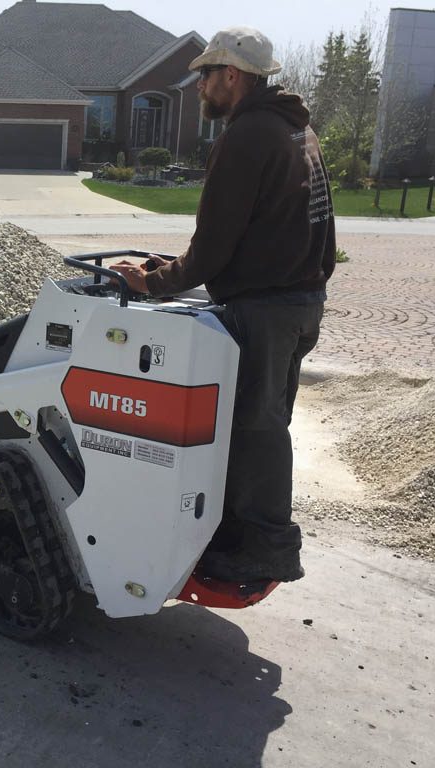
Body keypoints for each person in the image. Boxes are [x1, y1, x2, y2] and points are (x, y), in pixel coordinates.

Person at [109, 27, 336, 584]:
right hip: (301, 300)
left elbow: (214, 243)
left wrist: (153, 283)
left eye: (206, 76)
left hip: (266, 307)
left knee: (257, 429)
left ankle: (268, 547)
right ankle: (235, 531)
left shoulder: (248, 135)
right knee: (259, 422)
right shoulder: (295, 129)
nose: (200, 86)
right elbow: (286, 225)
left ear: (231, 76)